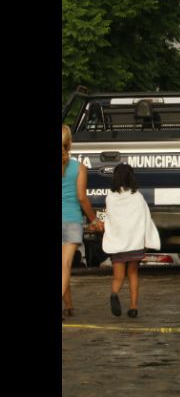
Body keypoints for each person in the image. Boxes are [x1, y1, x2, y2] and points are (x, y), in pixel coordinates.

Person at [102, 163, 160, 318]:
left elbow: (110, 218)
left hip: (118, 243)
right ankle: (133, 307)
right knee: (133, 273)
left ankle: (114, 293)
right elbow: (145, 218)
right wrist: (148, 239)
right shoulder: (138, 197)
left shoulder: (111, 197)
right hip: (134, 242)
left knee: (118, 277)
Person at [62, 125, 104, 321]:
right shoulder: (79, 168)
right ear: (69, 144)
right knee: (66, 264)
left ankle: (69, 305)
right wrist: (94, 219)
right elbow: (81, 197)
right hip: (71, 219)